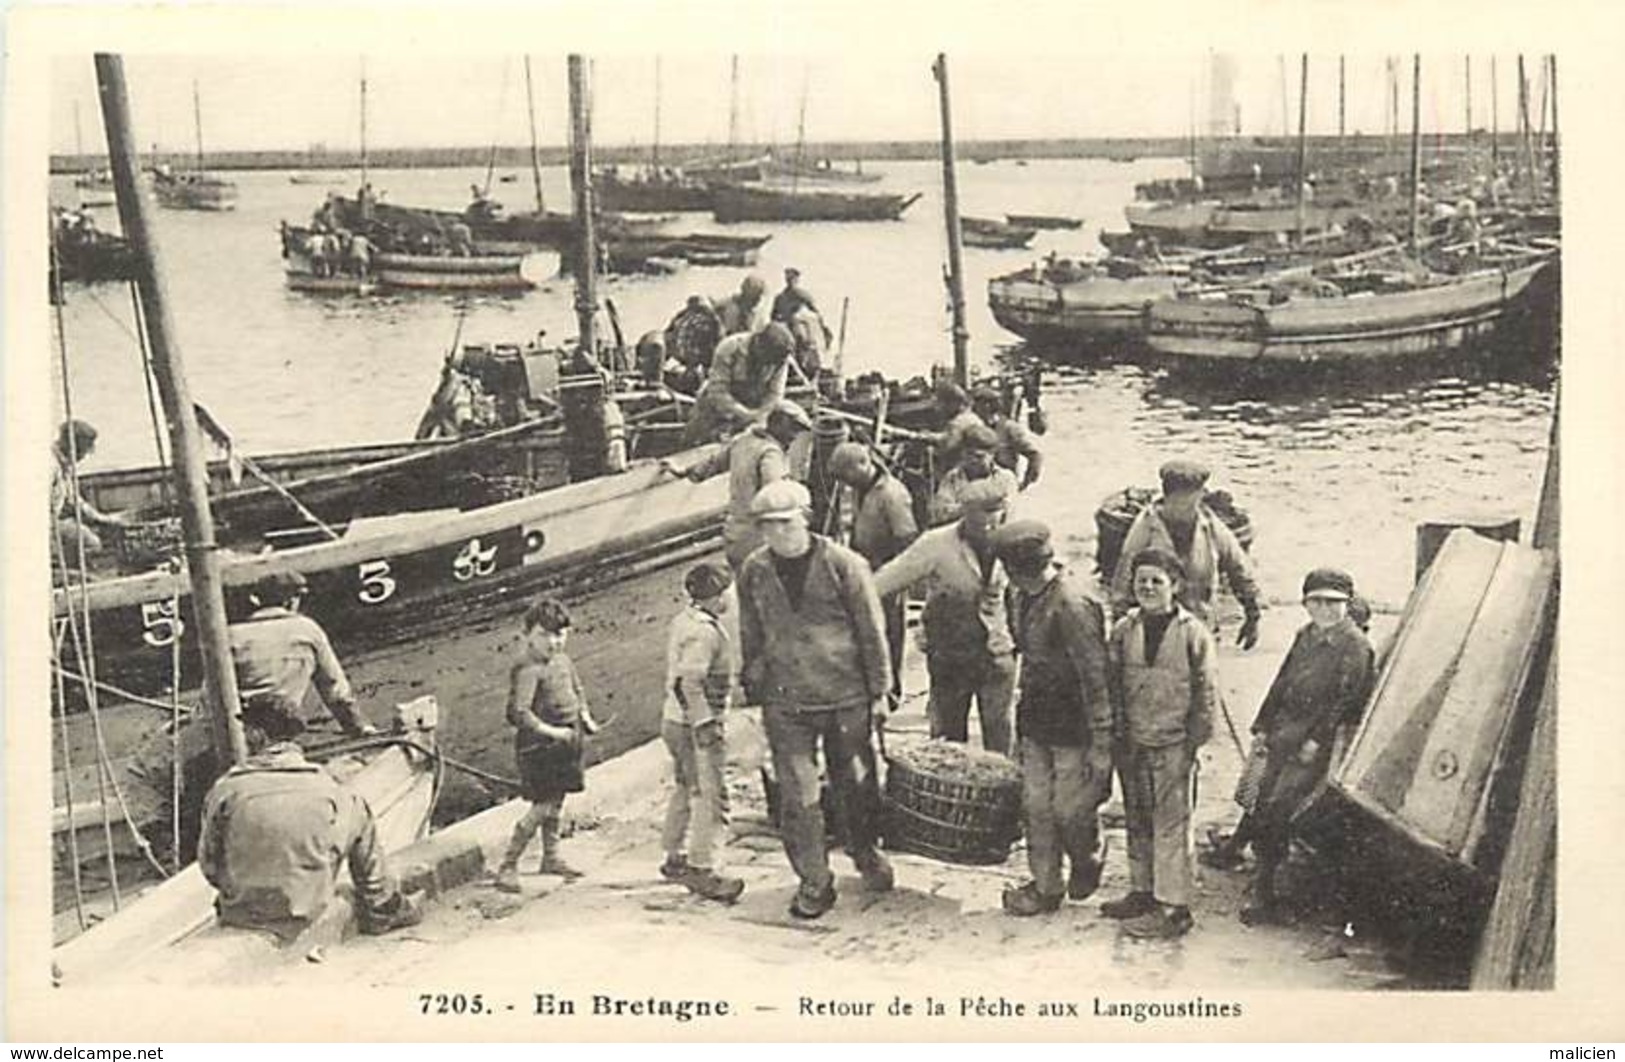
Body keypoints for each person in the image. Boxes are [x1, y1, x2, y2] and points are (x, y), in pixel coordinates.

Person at [737, 480, 894, 919]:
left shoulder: (845, 564)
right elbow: (751, 629)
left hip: (846, 696)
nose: (777, 535)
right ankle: (814, 880)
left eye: (785, 524)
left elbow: (872, 630)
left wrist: (880, 692)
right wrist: (752, 683)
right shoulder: (754, 570)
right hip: (786, 701)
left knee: (856, 784)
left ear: (805, 518)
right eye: (767, 527)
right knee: (797, 795)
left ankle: (865, 852)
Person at [197, 700, 423, 938]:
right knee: (358, 815)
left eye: (246, 731)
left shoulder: (225, 790)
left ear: (258, 735)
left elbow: (209, 865)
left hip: (241, 915)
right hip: (307, 912)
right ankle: (383, 909)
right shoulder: (333, 792)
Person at [1237, 568, 1376, 926]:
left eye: (1333, 602)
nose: (1325, 609)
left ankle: (1269, 895)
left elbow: (1346, 702)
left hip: (1315, 744)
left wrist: (1316, 741)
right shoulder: (1307, 635)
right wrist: (1263, 724)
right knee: (1260, 799)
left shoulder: (1355, 646)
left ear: (1347, 604)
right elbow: (1282, 681)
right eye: (1316, 601)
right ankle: (1263, 885)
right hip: (1284, 733)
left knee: (1280, 809)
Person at [992, 520, 1113, 916]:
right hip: (1037, 718)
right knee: (1035, 807)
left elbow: (1096, 677)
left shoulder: (1072, 605)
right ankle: (1046, 886)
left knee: (1069, 809)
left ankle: (1087, 857)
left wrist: (1102, 742)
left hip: (1075, 723)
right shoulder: (1019, 595)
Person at [1101, 548, 1218, 940]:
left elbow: (1206, 694)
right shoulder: (1123, 629)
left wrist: (1192, 743)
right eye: (1141, 582)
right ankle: (1142, 891)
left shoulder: (1192, 633)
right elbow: (1112, 685)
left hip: (1174, 744)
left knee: (1172, 825)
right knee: (1137, 819)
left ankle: (1174, 907)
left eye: (1157, 581)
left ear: (1176, 586)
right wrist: (1117, 733)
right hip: (1133, 741)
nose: (1148, 588)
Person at [874, 476, 1017, 755]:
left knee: (1000, 738)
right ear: (965, 512)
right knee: (948, 744)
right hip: (951, 656)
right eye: (982, 517)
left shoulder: (1014, 541)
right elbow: (883, 583)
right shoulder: (935, 544)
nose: (990, 525)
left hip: (997, 654)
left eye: (997, 515)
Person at [495, 598, 604, 893]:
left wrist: (586, 716)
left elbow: (577, 689)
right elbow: (519, 713)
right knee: (541, 806)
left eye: (560, 635)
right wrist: (552, 732)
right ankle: (508, 864)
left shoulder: (563, 660)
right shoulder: (528, 668)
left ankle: (551, 856)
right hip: (539, 747)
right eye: (545, 635)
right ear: (527, 634)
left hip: (568, 741)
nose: (554, 642)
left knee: (557, 802)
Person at [659, 562, 746, 904]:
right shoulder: (707, 633)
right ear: (717, 596)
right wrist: (706, 725)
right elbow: (689, 682)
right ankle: (703, 868)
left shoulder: (684, 621)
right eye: (727, 591)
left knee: (685, 786)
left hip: (672, 721)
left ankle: (674, 853)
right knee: (712, 797)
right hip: (696, 724)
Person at [1108, 459, 1262, 648]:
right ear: (1167, 498)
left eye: (1192, 504)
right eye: (1179, 505)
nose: (1186, 512)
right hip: (1155, 634)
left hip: (1202, 627)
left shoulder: (1209, 524)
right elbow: (1121, 587)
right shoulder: (1144, 531)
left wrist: (1252, 615)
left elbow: (1240, 568)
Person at [230, 570, 377, 740]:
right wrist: (360, 727)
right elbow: (334, 688)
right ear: (291, 600)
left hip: (240, 733)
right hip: (282, 728)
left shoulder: (232, 634)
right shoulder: (307, 629)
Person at [826, 442, 919, 709]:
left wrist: (893, 577)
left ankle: (891, 694)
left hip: (888, 570)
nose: (844, 482)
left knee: (889, 633)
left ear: (862, 465)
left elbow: (906, 539)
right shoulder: (861, 488)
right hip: (864, 569)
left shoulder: (892, 494)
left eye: (846, 475)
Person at [673, 400, 812, 573]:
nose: (794, 436)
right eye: (792, 429)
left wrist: (683, 471)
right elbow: (775, 498)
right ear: (778, 422)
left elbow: (710, 466)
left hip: (735, 536)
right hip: (759, 541)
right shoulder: (771, 453)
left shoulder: (742, 441)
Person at [680, 322, 796, 447]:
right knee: (693, 450)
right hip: (713, 410)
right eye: (766, 360)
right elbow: (718, 391)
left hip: (752, 410)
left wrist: (761, 416)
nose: (768, 365)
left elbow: (775, 394)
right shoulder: (729, 347)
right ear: (758, 344)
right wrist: (745, 414)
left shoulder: (780, 358)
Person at [50, 418, 127, 560]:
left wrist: (104, 519)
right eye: (84, 452)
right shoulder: (50, 465)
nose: (84, 457)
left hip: (54, 522)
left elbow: (74, 500)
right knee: (91, 543)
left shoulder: (65, 465)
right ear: (73, 446)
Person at [928, 422, 1021, 527]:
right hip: (959, 536)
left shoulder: (1005, 478)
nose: (972, 460)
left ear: (992, 455)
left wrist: (961, 509)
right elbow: (940, 513)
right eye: (968, 454)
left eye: (979, 457)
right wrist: (977, 507)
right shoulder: (952, 478)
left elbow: (1010, 514)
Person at [971, 386, 1043, 490]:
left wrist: (1026, 482)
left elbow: (1034, 455)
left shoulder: (1009, 428)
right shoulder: (975, 427)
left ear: (987, 405)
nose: (974, 409)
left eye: (977, 404)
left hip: (1004, 484)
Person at [931, 381, 982, 474]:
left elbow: (947, 446)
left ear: (954, 403)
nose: (941, 408)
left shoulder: (959, 422)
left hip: (960, 473)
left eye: (943, 403)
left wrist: (924, 438)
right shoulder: (973, 417)